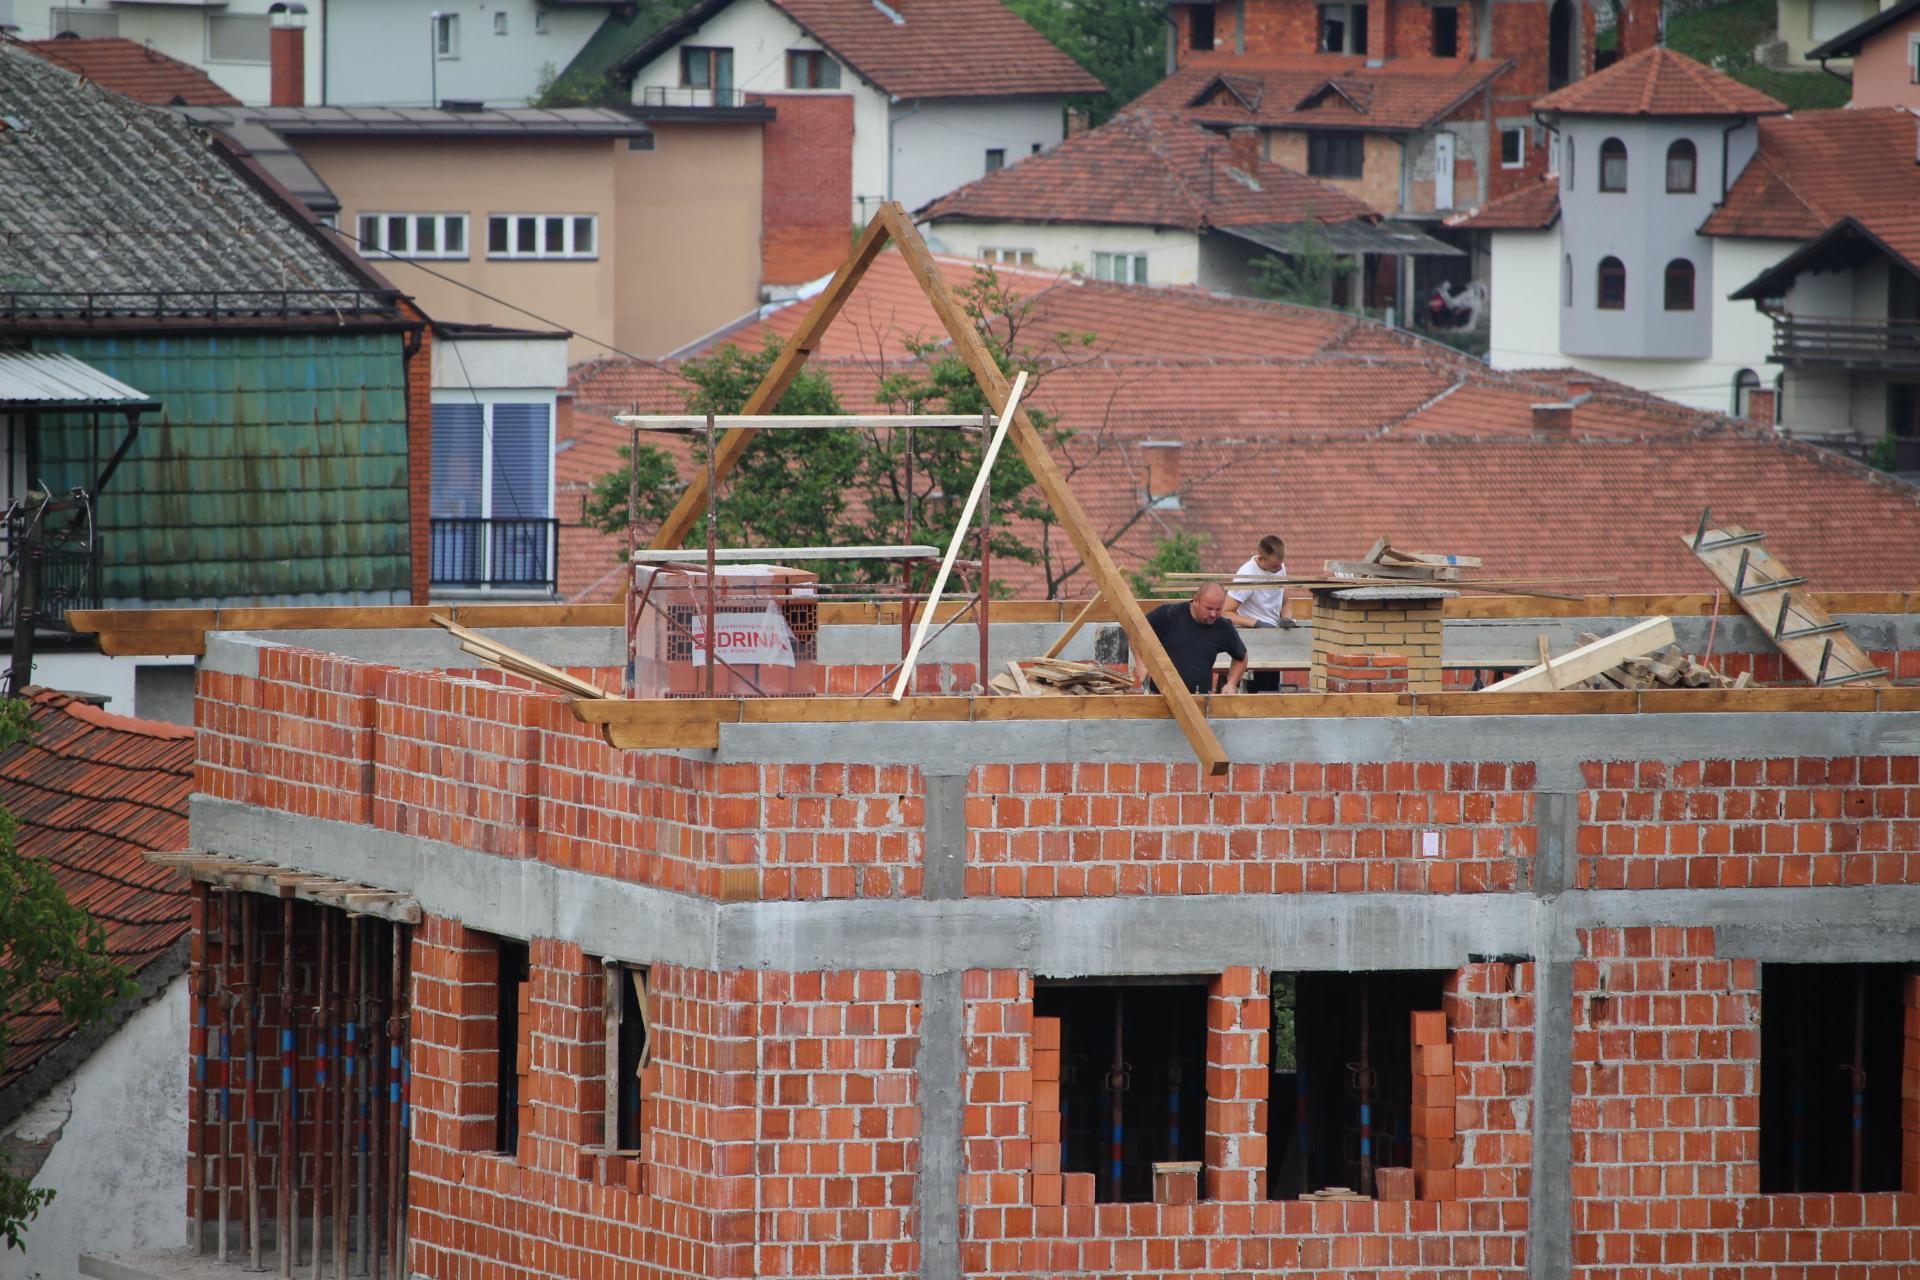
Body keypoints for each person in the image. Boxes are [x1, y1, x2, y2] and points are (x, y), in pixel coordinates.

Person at [1140, 583, 1248, 694]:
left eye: (1218, 609)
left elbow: (1241, 657)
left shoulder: (1222, 627)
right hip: (1162, 696)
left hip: (1199, 699)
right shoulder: (1168, 615)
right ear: (1195, 600)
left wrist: (1231, 683)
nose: (1213, 614)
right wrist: (1141, 663)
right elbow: (1137, 630)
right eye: (1209, 608)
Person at [1222, 534, 1294, 692]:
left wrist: (1287, 618)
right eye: (1275, 565)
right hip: (1250, 645)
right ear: (1261, 559)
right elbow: (1226, 613)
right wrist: (1257, 623)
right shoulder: (1246, 576)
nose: (1279, 568)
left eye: (1281, 564)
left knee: (1270, 694)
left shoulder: (1280, 568)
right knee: (1251, 694)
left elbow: (1286, 600)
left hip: (1272, 644)